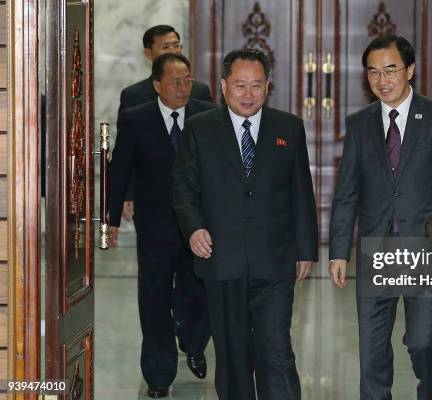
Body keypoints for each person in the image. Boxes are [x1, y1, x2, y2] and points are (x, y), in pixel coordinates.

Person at [328, 34, 432, 400]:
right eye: (373, 73)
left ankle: (431, 388)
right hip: (375, 250)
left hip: (425, 249)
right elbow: (347, 190)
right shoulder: (359, 124)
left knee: (422, 340)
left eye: (391, 70)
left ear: (409, 70)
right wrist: (337, 251)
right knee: (371, 348)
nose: (383, 80)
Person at [172, 48, 318, 400]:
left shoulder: (289, 127)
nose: (248, 94)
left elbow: (301, 192)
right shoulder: (199, 129)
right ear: (224, 87)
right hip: (222, 260)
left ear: (268, 86)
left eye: (256, 85)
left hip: (275, 259)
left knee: (276, 350)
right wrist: (193, 228)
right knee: (234, 356)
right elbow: (183, 187)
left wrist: (306, 249)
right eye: (239, 85)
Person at [108, 53, 215, 399]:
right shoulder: (137, 119)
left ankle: (195, 342)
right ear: (157, 85)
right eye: (175, 81)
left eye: (187, 80)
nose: (183, 88)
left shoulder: (206, 114)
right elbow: (120, 168)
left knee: (197, 291)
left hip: (198, 225)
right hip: (154, 225)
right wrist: (110, 218)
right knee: (153, 298)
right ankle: (158, 374)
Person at [119, 24, 212, 221]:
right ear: (147, 53)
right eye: (165, 47)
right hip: (152, 194)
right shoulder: (134, 95)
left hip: (195, 192)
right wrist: (127, 193)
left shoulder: (200, 92)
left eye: (176, 46)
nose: (173, 51)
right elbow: (127, 152)